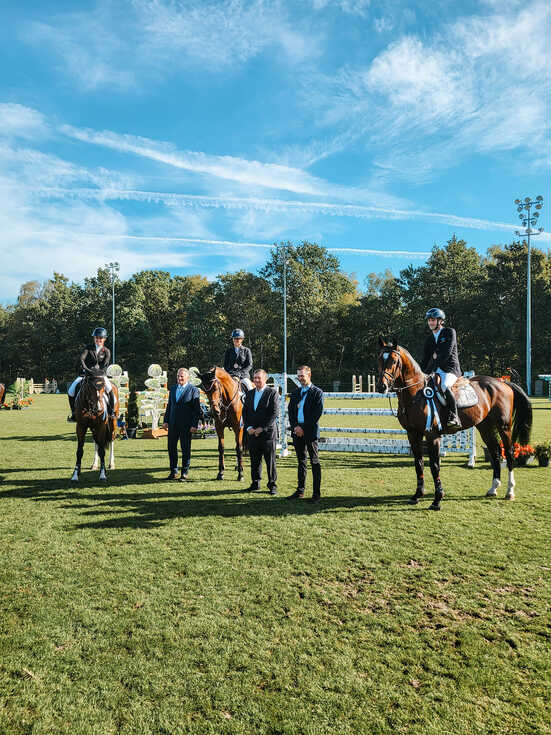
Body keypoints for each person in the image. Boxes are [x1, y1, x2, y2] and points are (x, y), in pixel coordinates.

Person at [286, 366, 324, 503]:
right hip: (297, 432)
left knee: (314, 461)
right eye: (299, 376)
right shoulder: (295, 393)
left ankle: (316, 494)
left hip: (310, 432)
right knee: (301, 461)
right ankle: (300, 491)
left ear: (309, 375)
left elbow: (316, 414)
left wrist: (303, 428)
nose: (300, 378)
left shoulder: (317, 392)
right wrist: (296, 427)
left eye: (302, 376)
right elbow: (290, 412)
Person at [420, 307, 462, 429]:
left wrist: (434, 363)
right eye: (429, 320)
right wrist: (421, 373)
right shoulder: (429, 339)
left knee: (444, 386)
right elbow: (425, 359)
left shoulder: (449, 332)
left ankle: (454, 416)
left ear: (440, 321)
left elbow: (446, 354)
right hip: (435, 370)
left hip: (450, 369)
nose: (430, 323)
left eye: (433, 320)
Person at [242, 369, 280, 495]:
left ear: (265, 379)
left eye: (259, 378)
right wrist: (249, 428)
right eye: (255, 378)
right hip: (252, 433)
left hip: (268, 434)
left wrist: (261, 429)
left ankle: (272, 485)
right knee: (254, 460)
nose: (256, 380)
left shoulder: (272, 393)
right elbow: (245, 412)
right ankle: (255, 483)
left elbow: (274, 414)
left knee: (270, 461)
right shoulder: (250, 393)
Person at [67, 327, 115, 421]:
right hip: (86, 374)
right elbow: (82, 359)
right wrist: (87, 369)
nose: (98, 340)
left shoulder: (106, 351)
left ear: (104, 339)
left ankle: (111, 411)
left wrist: (97, 373)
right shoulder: (88, 348)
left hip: (100, 375)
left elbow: (104, 366)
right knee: (71, 390)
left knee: (110, 390)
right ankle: (74, 413)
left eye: (100, 338)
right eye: (96, 338)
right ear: (94, 338)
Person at [162, 368, 202, 481]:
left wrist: (194, 425)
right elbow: (169, 406)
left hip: (186, 426)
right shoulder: (173, 389)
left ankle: (184, 472)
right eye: (178, 376)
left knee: (185, 449)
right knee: (171, 448)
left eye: (182, 376)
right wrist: (165, 420)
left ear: (187, 378)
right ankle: (173, 471)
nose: (179, 378)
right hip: (173, 424)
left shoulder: (193, 390)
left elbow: (196, 410)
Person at [223, 329, 253, 396]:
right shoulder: (228, 351)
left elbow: (249, 365)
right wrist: (231, 373)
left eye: (238, 338)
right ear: (232, 339)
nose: (236, 340)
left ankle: (252, 404)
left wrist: (240, 373)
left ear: (242, 339)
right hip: (231, 375)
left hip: (243, 376)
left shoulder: (246, 350)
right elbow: (225, 365)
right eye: (235, 338)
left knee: (250, 388)